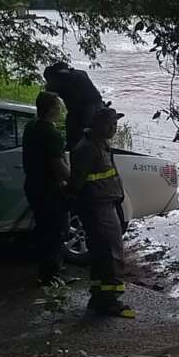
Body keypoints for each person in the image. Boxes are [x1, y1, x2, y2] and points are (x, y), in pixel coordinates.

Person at [67, 106, 134, 318]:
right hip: (96, 208)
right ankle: (107, 302)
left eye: (115, 124)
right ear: (97, 125)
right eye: (110, 124)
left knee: (104, 254)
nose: (114, 128)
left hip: (106, 204)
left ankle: (100, 299)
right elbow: (77, 183)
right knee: (109, 254)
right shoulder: (87, 148)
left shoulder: (101, 144)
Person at [22, 91, 70, 285]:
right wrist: (74, 181)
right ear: (51, 109)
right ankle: (50, 276)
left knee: (43, 229)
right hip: (50, 189)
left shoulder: (30, 126)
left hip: (32, 185)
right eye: (59, 106)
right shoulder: (52, 134)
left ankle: (48, 271)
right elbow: (58, 165)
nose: (61, 110)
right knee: (55, 231)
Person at [43, 61, 104, 149]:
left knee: (75, 136)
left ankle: (74, 151)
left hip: (84, 110)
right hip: (98, 105)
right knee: (93, 136)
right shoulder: (81, 73)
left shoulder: (59, 81)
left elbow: (48, 97)